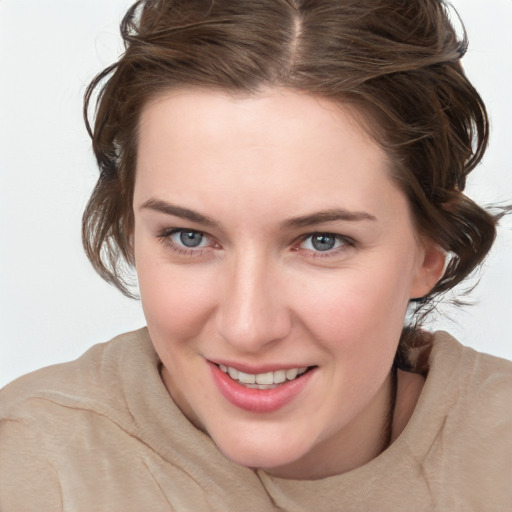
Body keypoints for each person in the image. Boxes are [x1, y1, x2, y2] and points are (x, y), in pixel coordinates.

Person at [1, 0, 511, 510]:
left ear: (428, 250)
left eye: (321, 241)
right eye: (189, 237)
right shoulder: (27, 466)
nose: (248, 327)